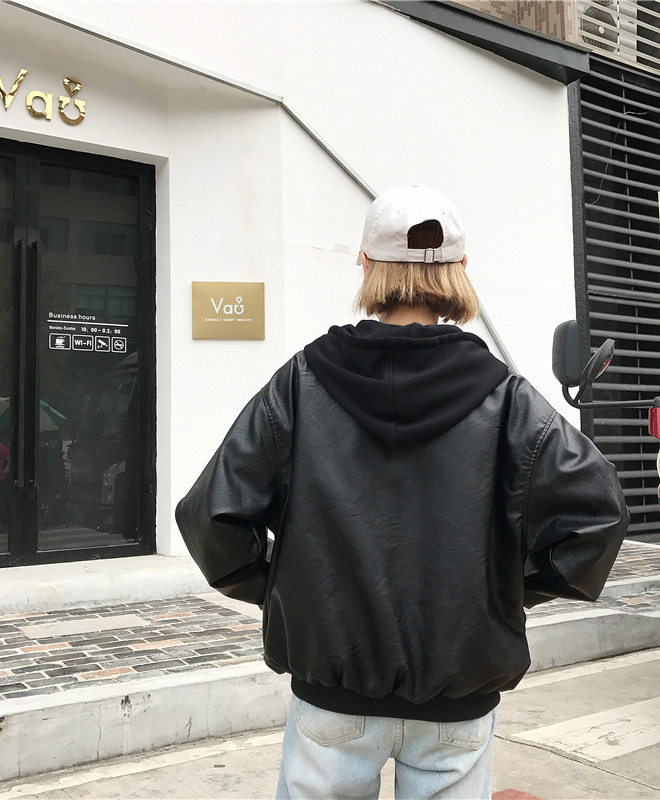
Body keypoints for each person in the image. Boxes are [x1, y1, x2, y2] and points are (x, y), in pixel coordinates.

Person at [176, 186, 629, 799]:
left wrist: (284, 589)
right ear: (461, 269)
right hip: (457, 698)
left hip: (333, 697)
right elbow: (598, 517)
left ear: (365, 263)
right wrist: (502, 593)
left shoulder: (302, 383)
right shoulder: (506, 397)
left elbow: (211, 515)